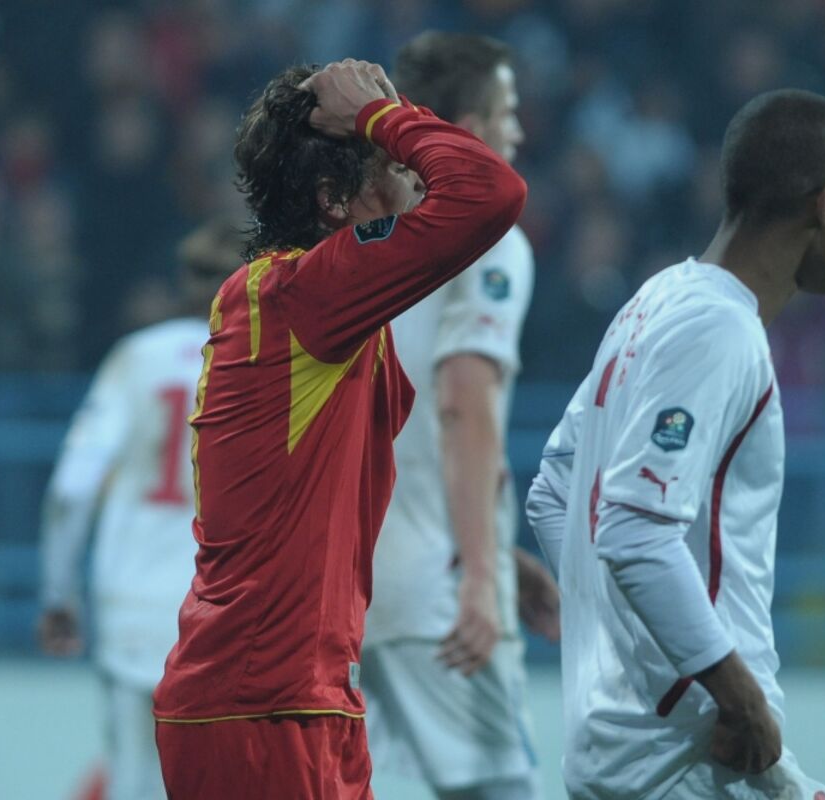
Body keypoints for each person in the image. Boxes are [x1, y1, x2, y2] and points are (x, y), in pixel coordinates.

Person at [151, 59, 526, 799]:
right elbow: (491, 192)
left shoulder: (311, 309)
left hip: (296, 693)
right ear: (333, 201)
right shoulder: (304, 297)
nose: (413, 180)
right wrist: (381, 117)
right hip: (264, 701)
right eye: (391, 168)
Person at [526, 89, 825, 799]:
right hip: (691, 755)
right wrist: (734, 695)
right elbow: (632, 530)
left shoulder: (654, 300)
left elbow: (555, 490)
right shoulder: (719, 330)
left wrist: (628, 653)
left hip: (643, 743)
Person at [361, 32, 557, 800]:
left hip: (357, 581)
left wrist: (500, 554)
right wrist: (480, 573)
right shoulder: (490, 238)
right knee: (502, 789)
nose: (519, 131)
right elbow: (462, 401)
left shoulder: (365, 239)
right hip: (437, 587)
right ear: (470, 129)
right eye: (508, 112)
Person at [37, 219, 244, 800]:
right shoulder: (269, 359)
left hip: (132, 602)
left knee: (132, 779)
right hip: (227, 606)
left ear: (184, 280)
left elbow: (73, 488)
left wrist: (58, 594)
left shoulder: (138, 357)